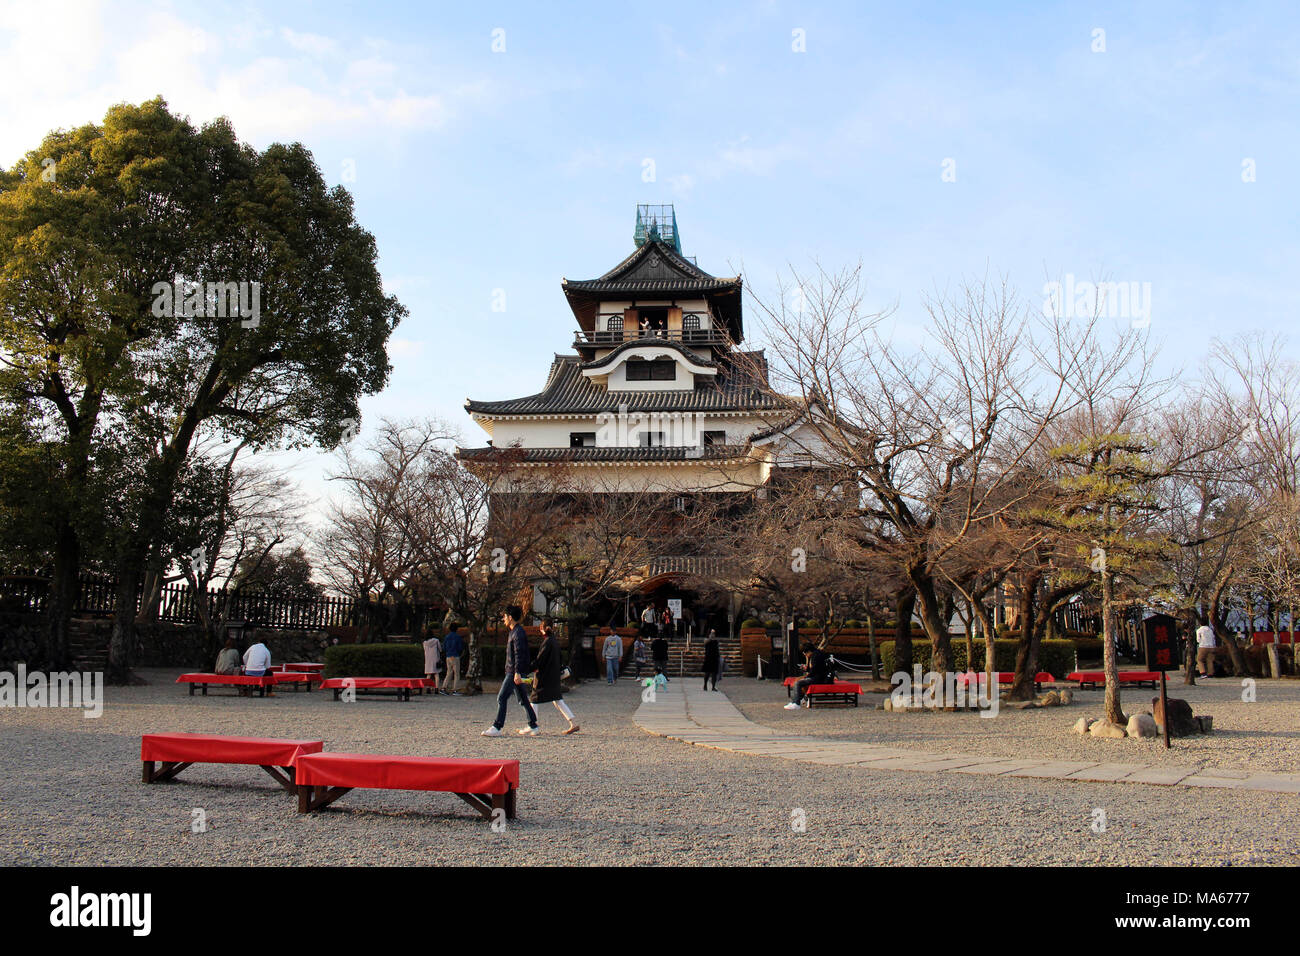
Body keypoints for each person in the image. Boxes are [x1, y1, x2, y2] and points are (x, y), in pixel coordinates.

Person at [483, 606, 539, 737]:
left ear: (510, 617)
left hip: (514, 671)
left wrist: (518, 672)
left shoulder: (517, 632)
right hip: (515, 670)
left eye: (504, 616)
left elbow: (519, 653)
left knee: (502, 697)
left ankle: (497, 726)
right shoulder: (515, 631)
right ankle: (533, 725)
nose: (503, 619)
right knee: (522, 699)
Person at [527, 619, 579, 735]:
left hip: (545, 677)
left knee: (534, 698)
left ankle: (532, 725)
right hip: (554, 676)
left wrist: (528, 669)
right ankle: (573, 723)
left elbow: (540, 660)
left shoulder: (547, 642)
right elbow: (560, 659)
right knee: (558, 700)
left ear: (543, 629)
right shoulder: (554, 641)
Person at [785, 644, 830, 710]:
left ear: (809, 651)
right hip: (817, 676)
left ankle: (796, 703)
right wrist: (806, 667)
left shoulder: (816, 656)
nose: (805, 655)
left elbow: (814, 670)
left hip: (819, 678)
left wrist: (807, 677)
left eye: (805, 653)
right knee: (798, 680)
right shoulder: (815, 654)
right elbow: (812, 669)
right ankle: (799, 700)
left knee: (798, 683)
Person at [441, 622, 464, 695]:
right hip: (455, 655)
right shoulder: (457, 637)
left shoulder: (447, 637)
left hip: (448, 655)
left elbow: (444, 647)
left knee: (449, 672)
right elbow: (460, 647)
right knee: (456, 673)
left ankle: (444, 687)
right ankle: (455, 689)